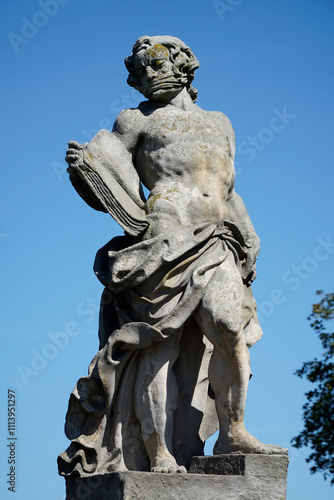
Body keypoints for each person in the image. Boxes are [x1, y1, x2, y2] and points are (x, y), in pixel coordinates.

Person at [58, 35, 286, 478]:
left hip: (219, 235)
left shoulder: (220, 122)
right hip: (164, 241)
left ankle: (234, 430)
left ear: (185, 65)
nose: (147, 73)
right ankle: (158, 449)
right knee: (158, 346)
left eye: (156, 61)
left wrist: (250, 231)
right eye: (140, 68)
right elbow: (111, 181)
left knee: (228, 328)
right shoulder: (135, 120)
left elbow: (227, 188)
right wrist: (83, 172)